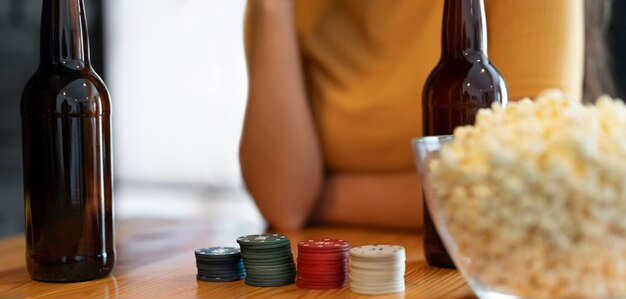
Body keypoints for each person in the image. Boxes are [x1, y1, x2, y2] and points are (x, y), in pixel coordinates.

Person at [240, 0, 586, 231]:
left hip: (482, 274)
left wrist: (319, 198)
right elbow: (285, 206)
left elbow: (529, 184)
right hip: (327, 279)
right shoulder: (277, 9)